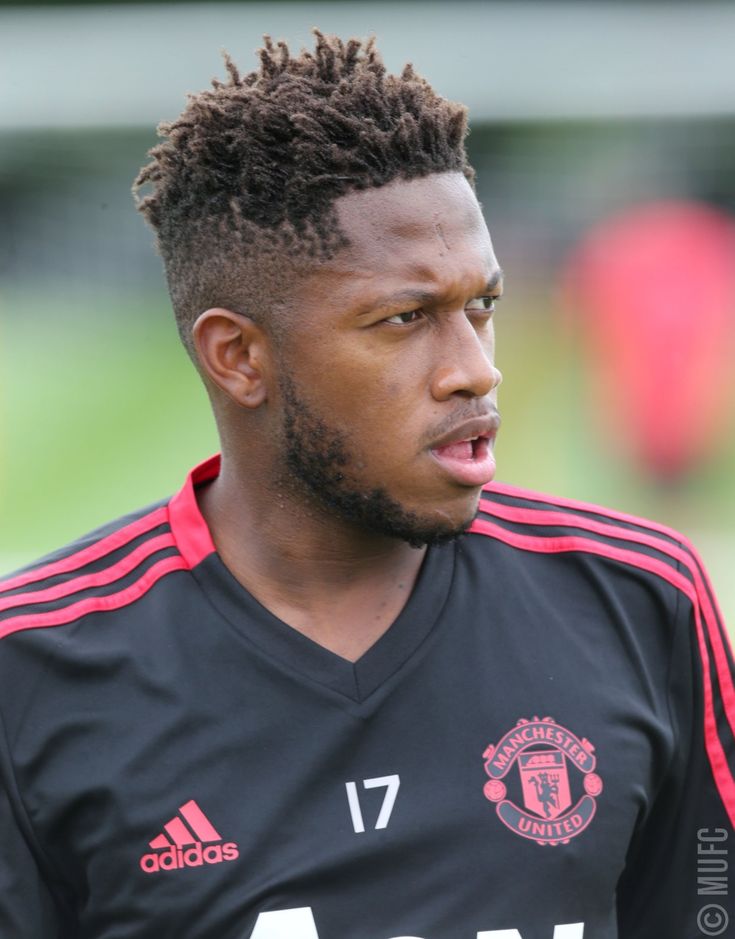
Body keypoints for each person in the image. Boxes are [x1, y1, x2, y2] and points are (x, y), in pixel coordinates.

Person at [0, 31, 733, 939]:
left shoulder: (640, 597)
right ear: (238, 356)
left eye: (482, 307)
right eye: (404, 318)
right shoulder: (30, 667)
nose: (474, 369)